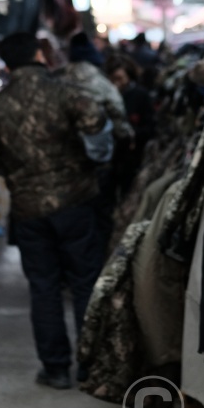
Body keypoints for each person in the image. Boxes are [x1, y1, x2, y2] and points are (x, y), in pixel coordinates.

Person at [0, 32, 113, 389]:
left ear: (7, 62)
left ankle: (55, 369)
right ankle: (89, 365)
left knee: (44, 287)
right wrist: (89, 160)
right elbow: (96, 121)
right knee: (84, 283)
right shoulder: (65, 92)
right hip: (76, 200)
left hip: (28, 208)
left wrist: (18, 171)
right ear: (38, 54)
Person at [59, 31, 134, 258]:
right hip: (97, 160)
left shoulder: (58, 79)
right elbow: (118, 114)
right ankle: (97, 257)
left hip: (64, 161)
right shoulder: (99, 82)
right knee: (100, 211)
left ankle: (71, 261)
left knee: (69, 215)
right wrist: (126, 137)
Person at [106, 53, 156, 196]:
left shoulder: (140, 96)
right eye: (113, 79)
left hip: (133, 157)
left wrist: (132, 134)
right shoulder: (106, 98)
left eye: (120, 78)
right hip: (112, 157)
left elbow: (150, 128)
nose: (117, 83)